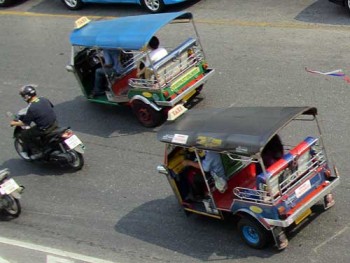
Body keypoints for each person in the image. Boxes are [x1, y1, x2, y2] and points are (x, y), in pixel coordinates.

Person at [10, 85, 57, 159]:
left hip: (45, 129)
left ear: (26, 97)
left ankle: (35, 153)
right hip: (54, 123)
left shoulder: (32, 109)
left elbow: (25, 123)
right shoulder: (43, 99)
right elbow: (50, 107)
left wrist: (14, 123)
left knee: (25, 134)